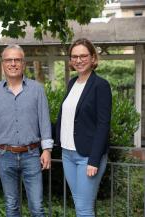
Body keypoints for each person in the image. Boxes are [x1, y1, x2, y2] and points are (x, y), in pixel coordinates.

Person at [0, 44, 53, 217]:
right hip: (4, 155)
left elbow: (44, 121)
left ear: (23, 63)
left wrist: (47, 150)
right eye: (8, 60)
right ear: (3, 64)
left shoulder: (37, 90)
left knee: (37, 206)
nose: (13, 63)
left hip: (32, 154)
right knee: (11, 205)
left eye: (17, 60)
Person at [55, 38, 112, 217]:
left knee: (84, 208)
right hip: (67, 154)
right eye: (74, 57)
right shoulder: (72, 83)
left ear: (93, 58)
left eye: (83, 56)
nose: (78, 60)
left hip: (87, 156)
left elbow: (103, 124)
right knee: (79, 203)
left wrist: (94, 160)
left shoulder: (100, 85)